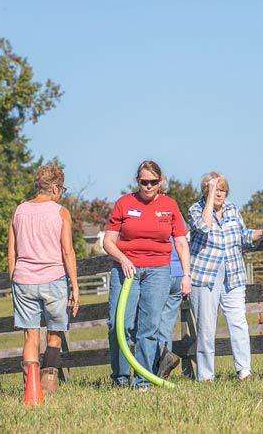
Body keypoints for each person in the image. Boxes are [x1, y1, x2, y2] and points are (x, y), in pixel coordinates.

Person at [188, 172, 263, 381]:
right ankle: (205, 376)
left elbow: (243, 237)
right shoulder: (195, 209)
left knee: (239, 323)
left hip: (233, 274)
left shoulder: (232, 209)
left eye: (222, 189)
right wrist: (210, 194)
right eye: (214, 189)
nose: (219, 193)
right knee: (205, 328)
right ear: (205, 191)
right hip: (204, 276)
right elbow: (204, 227)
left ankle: (244, 371)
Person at [103, 160, 192, 388]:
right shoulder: (124, 203)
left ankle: (143, 380)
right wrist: (123, 259)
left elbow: (181, 242)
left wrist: (186, 275)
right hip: (127, 270)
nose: (148, 186)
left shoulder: (170, 205)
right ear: (137, 181)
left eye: (153, 182)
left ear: (160, 182)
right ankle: (120, 378)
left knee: (149, 328)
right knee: (119, 325)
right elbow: (108, 241)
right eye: (144, 182)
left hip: (159, 272)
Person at [8, 163, 79, 395]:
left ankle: (31, 391)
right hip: (53, 279)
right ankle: (47, 389)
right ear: (56, 188)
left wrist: (14, 280)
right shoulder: (60, 212)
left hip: (23, 280)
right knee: (54, 333)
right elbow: (67, 251)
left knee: (30, 336)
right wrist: (75, 286)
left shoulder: (19, 211)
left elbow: (12, 251)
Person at [156, 235, 184, 379]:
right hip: (178, 272)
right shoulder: (176, 213)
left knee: (149, 323)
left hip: (160, 272)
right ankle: (162, 374)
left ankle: (154, 367)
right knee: (166, 326)